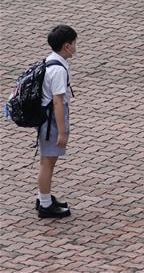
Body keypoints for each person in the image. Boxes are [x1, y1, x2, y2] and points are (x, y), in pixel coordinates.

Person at [35, 25, 77, 218]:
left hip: (45, 118)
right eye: (74, 43)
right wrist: (62, 131)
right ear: (67, 46)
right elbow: (58, 102)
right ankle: (45, 204)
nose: (76, 47)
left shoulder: (50, 60)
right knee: (48, 162)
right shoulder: (59, 70)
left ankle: (44, 196)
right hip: (51, 121)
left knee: (47, 161)